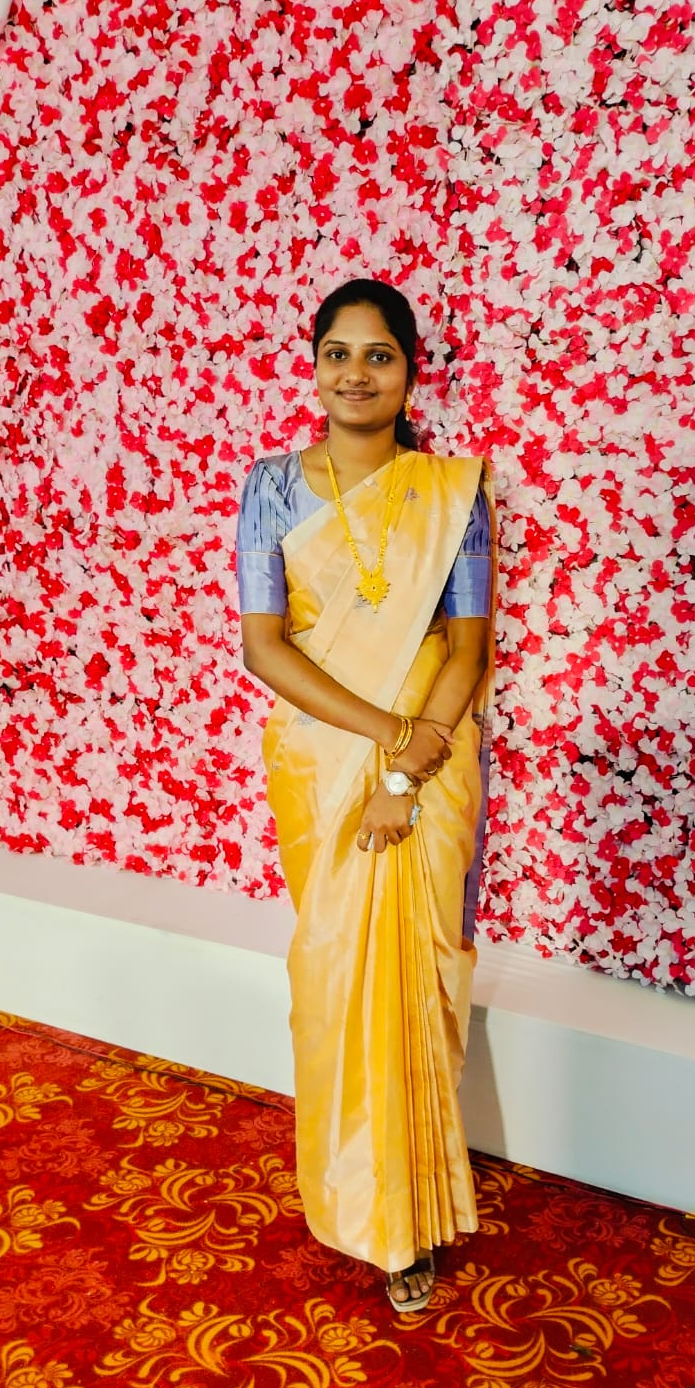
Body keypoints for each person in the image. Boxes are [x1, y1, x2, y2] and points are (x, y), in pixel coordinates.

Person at [235, 278, 495, 1313]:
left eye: (378, 355)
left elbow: (466, 647)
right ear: (314, 367)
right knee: (338, 979)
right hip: (325, 764)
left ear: (410, 374)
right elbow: (264, 647)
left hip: (429, 764)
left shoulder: (452, 493)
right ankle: (362, 1200)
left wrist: (406, 769)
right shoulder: (269, 487)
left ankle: (410, 1222)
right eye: (337, 354)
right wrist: (385, 742)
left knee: (419, 983)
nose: (355, 373)